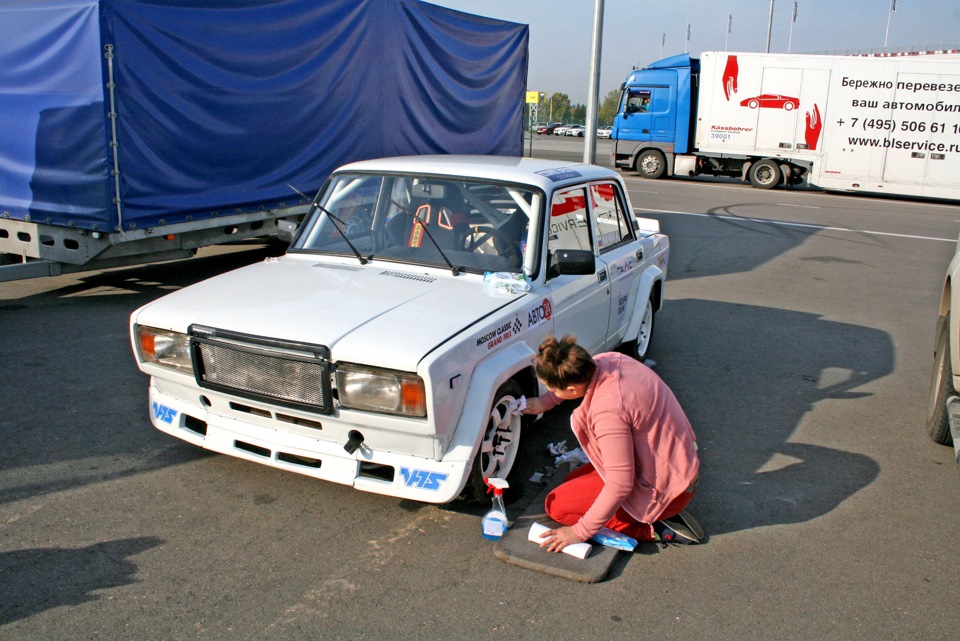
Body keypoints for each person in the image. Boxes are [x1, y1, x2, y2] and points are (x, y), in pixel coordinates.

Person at [523, 335, 701, 552]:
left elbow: (620, 484)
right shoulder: (610, 360)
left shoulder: (608, 412)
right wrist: (545, 403)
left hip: (668, 490)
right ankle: (651, 510)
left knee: (557, 506)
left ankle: (653, 528)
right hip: (675, 465)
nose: (550, 391)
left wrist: (577, 532)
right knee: (571, 481)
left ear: (571, 390)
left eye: (550, 387)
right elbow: (570, 381)